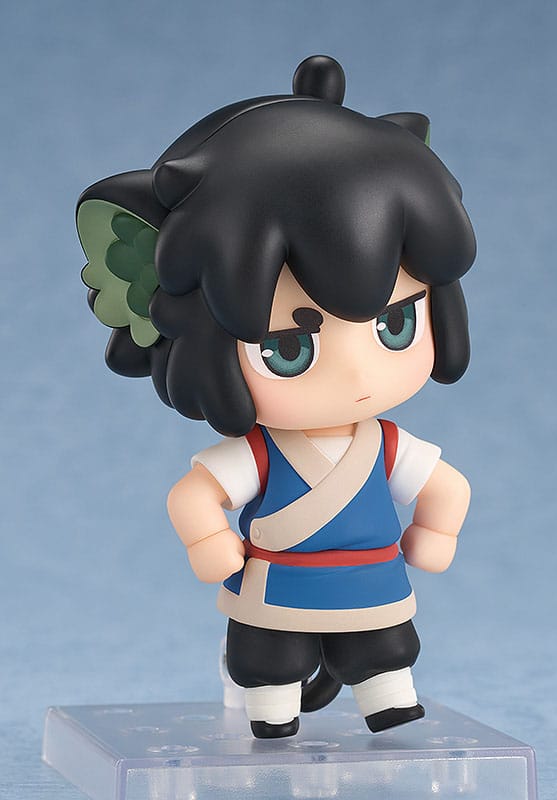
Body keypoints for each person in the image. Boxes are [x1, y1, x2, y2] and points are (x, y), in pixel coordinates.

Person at [78, 55, 476, 738]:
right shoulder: (264, 455)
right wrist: (209, 540)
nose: (356, 374)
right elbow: (195, 494)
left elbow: (446, 485)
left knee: (384, 650)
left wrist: (436, 530)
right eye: (288, 348)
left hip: (373, 587)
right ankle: (271, 711)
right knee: (271, 660)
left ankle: (385, 696)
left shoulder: (384, 446)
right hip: (277, 590)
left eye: (394, 325)